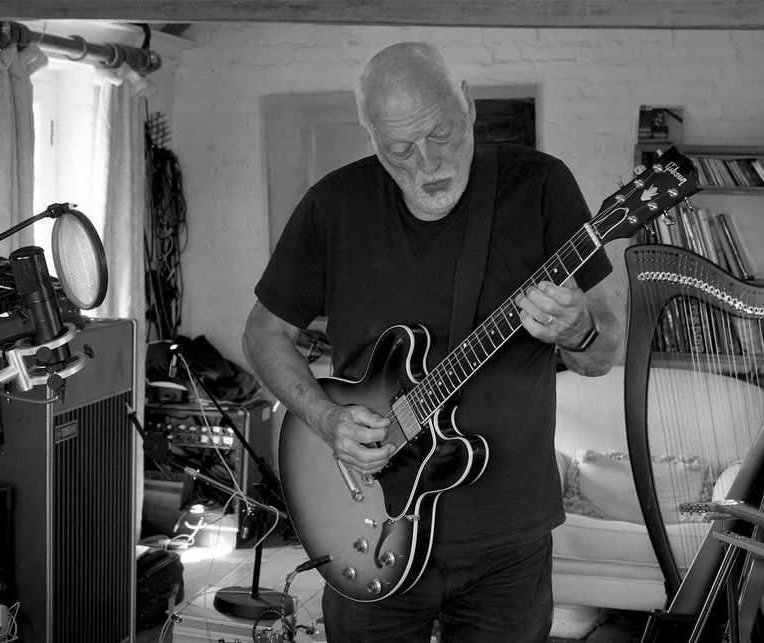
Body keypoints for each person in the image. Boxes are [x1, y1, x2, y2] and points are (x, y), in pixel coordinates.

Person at [242, 42, 620, 642]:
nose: (426, 163)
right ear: (371, 137)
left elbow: (605, 353)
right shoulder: (334, 206)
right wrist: (321, 416)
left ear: (466, 105)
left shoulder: (540, 188)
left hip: (507, 543)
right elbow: (263, 331)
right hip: (365, 531)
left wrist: (577, 331)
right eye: (399, 149)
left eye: (440, 134)